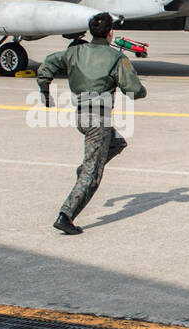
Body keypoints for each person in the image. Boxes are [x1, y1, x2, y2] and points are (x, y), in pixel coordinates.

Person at [36, 12, 147, 234]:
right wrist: (140, 88)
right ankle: (66, 215)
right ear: (110, 33)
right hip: (99, 120)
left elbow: (48, 64)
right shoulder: (115, 57)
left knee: (117, 143)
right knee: (93, 174)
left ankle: (86, 169)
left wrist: (45, 92)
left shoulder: (75, 52)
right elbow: (134, 91)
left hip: (81, 116)